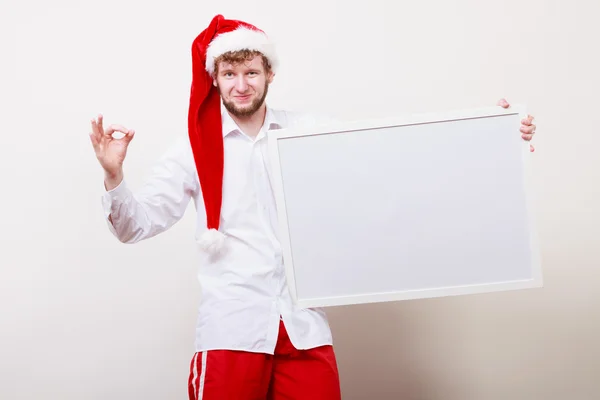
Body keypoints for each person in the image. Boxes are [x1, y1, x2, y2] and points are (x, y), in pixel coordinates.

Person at [89, 14, 537, 400]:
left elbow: (394, 163)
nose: (241, 85)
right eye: (229, 74)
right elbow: (135, 226)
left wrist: (494, 133)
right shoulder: (192, 149)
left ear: (269, 74)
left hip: (303, 325)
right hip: (232, 326)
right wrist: (114, 175)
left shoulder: (310, 132)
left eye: (250, 72)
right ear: (215, 79)